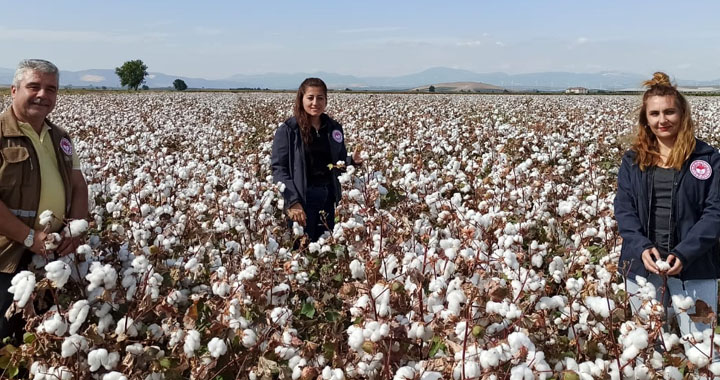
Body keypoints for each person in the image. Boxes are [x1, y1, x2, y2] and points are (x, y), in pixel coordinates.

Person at [615, 72, 720, 339]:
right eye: (655, 114)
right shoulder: (632, 160)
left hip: (695, 267)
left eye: (670, 112)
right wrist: (641, 248)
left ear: (683, 115)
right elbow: (624, 210)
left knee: (701, 346)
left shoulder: (708, 159)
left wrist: (684, 253)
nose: (662, 120)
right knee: (647, 345)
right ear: (646, 120)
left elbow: (715, 213)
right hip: (642, 265)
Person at [0, 59, 88, 341]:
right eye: (34, 86)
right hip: (7, 257)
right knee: (4, 333)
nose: (43, 95)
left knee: (41, 333)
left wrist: (75, 231)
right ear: (13, 90)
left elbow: (78, 185)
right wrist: (28, 238)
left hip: (51, 253)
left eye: (51, 89)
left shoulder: (60, 137)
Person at [271, 78, 362, 242]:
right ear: (301, 99)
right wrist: (293, 202)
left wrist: (351, 162)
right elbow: (279, 170)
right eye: (310, 97)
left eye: (320, 98)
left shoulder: (334, 128)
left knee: (325, 245)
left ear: (326, 100)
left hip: (328, 198)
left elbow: (337, 163)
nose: (315, 102)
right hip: (302, 200)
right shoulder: (288, 130)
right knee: (301, 249)